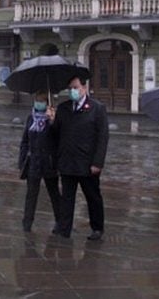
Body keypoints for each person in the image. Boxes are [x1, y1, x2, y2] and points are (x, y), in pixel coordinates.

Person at [46, 74, 109, 241]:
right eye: (70, 88)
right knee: (67, 198)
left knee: (92, 196)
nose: (72, 91)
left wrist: (98, 163)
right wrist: (51, 121)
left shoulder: (97, 108)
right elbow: (56, 135)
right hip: (67, 161)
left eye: (75, 88)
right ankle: (64, 229)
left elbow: (103, 137)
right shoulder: (63, 108)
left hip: (87, 164)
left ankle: (97, 228)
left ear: (84, 88)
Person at [18, 90, 63, 233]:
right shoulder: (30, 118)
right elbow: (25, 141)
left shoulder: (53, 118)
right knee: (31, 194)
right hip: (33, 161)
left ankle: (60, 221)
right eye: (37, 100)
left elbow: (58, 137)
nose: (38, 103)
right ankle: (27, 223)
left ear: (47, 103)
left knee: (54, 193)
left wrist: (52, 122)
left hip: (49, 162)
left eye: (42, 101)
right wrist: (22, 160)